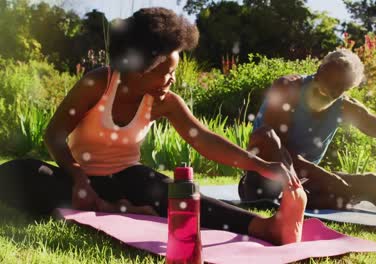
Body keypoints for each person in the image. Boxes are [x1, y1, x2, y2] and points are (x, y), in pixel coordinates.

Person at [0, 7, 307, 245]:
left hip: (130, 179)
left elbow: (205, 140)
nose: (173, 79)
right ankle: (111, 206)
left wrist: (260, 165)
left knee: (171, 191)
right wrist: (78, 177)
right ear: (138, 65)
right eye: (166, 71)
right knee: (21, 172)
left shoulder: (165, 101)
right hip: (77, 177)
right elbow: (54, 133)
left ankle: (264, 227)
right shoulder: (98, 82)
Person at [238, 48, 376, 224]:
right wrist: (327, 179)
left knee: (370, 183)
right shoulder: (287, 88)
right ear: (319, 70)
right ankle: (316, 194)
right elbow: (276, 151)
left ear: (346, 90)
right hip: (262, 185)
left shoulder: (343, 107)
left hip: (303, 187)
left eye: (338, 87)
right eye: (326, 80)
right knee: (267, 137)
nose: (328, 90)